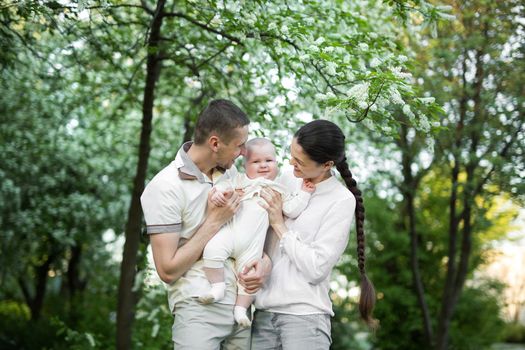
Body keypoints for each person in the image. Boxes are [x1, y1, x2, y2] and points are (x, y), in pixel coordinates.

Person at [140, 99, 271, 350]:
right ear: (215, 143)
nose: (243, 152)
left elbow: (251, 231)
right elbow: (167, 270)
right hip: (198, 307)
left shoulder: (233, 175)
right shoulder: (165, 187)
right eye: (239, 145)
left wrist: (264, 264)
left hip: (240, 309)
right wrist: (213, 221)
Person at [251, 119, 377, 350]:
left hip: (305, 319)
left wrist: (280, 225)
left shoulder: (340, 200)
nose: (291, 163)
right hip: (264, 314)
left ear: (327, 164)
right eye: (291, 155)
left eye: (299, 162)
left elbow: (317, 268)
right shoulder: (288, 178)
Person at [200, 138, 315, 327]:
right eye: (256, 162)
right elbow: (221, 187)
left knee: (250, 275)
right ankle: (217, 287)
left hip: (253, 245)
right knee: (212, 250)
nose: (263, 166)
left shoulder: (279, 188)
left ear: (276, 163)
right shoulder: (239, 181)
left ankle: (240, 309)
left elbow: (292, 209)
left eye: (268, 161)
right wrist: (218, 193)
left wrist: (304, 194)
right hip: (230, 233)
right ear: (245, 165)